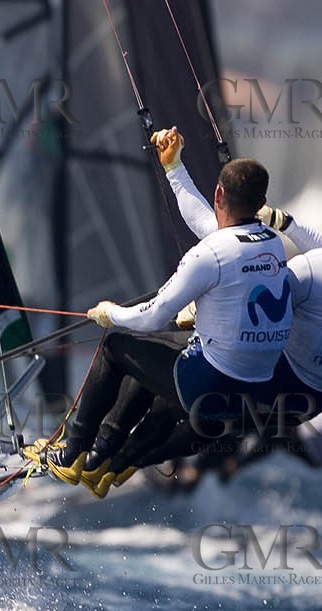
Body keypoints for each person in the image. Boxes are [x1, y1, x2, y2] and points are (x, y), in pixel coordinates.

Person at [27, 130, 292, 497]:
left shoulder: (209, 254)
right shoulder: (271, 243)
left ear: (219, 195)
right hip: (252, 395)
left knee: (118, 348)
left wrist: (111, 313)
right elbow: (209, 226)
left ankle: (71, 454)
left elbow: (151, 315)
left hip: (214, 386)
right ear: (260, 204)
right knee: (156, 352)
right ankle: (103, 459)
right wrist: (174, 168)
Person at [106, 177, 322, 481]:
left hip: (276, 384)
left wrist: (198, 306)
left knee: (179, 384)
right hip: (310, 405)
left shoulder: (312, 270)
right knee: (213, 420)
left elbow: (262, 289)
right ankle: (136, 464)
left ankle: (111, 458)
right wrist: (286, 223)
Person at [157, 311, 322, 490]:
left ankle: (187, 466)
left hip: (312, 434)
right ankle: (225, 466)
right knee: (270, 430)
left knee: (242, 413)